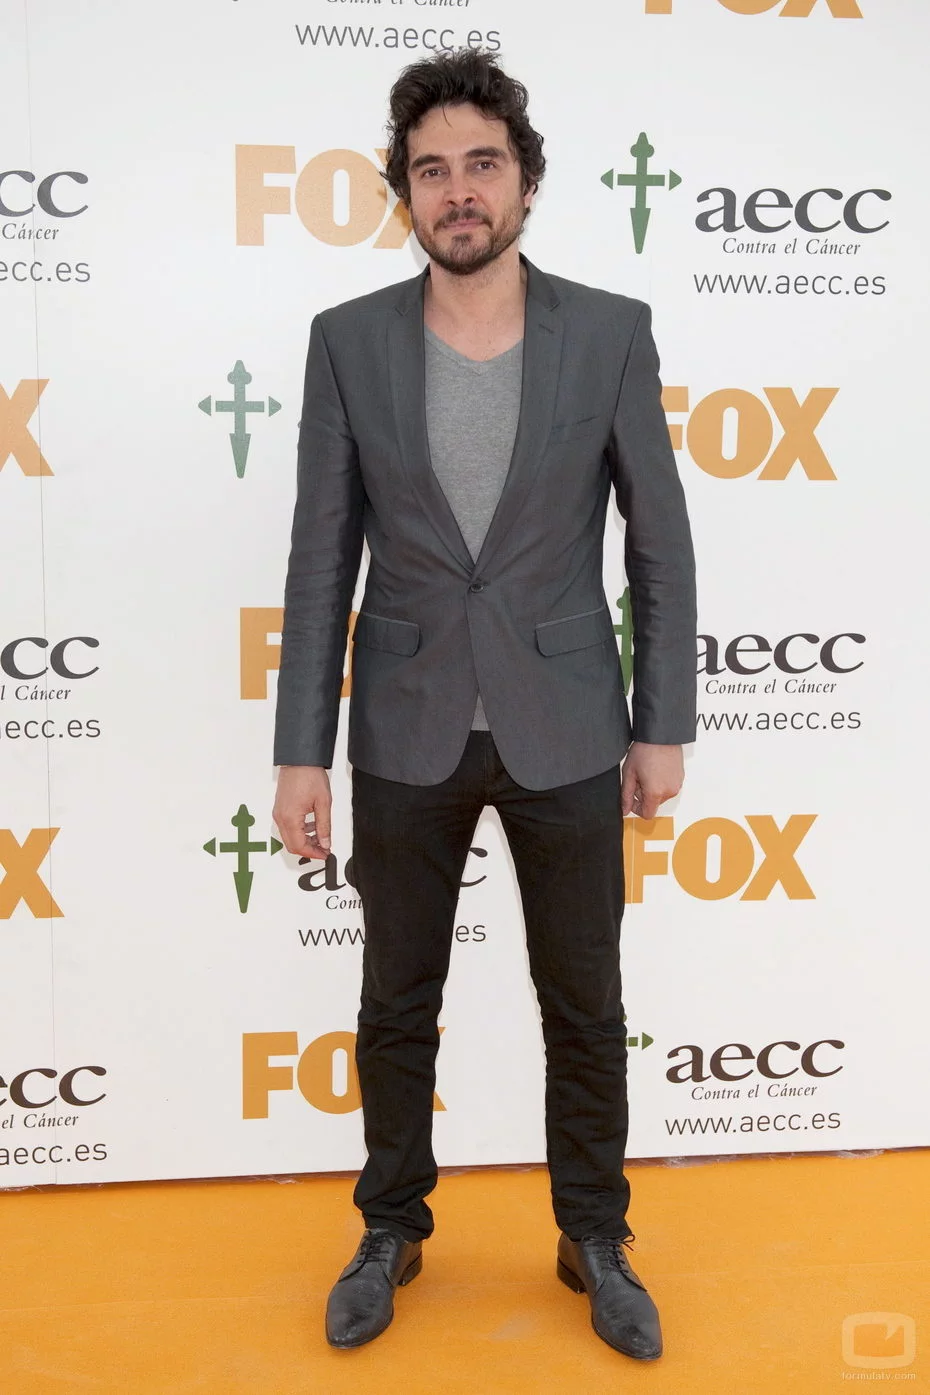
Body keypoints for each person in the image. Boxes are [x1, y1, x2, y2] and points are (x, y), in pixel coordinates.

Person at [272, 49, 697, 1360]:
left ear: (524, 181)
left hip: (566, 721)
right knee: (397, 1000)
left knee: (584, 999)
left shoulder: (609, 330)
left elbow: (658, 540)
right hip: (405, 726)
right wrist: (300, 753)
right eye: (432, 170)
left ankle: (595, 1234)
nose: (459, 191)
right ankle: (389, 1226)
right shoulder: (347, 340)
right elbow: (319, 557)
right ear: (403, 193)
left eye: (482, 165)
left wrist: (661, 721)